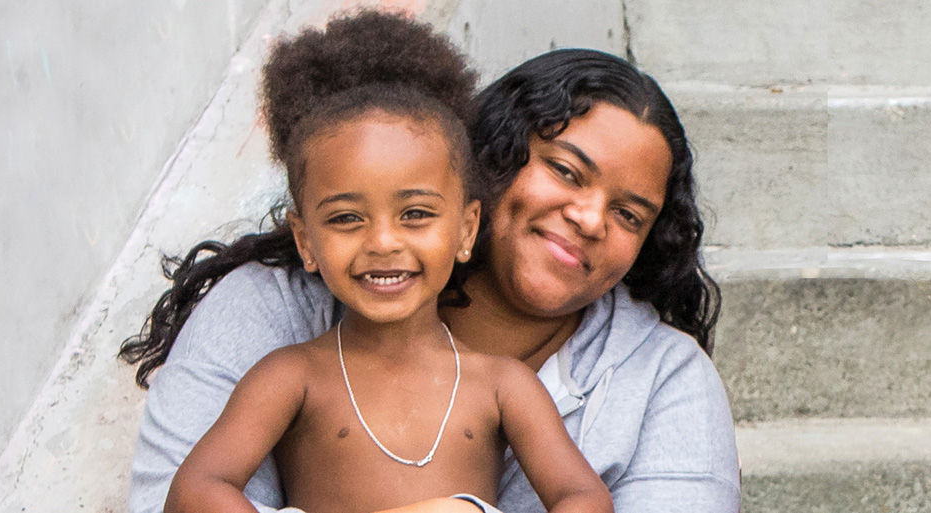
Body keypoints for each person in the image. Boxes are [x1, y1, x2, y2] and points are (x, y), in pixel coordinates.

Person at [121, 9, 740, 513]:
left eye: (629, 215)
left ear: (462, 223)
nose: (589, 218)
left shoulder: (654, 380)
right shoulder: (280, 341)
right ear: (491, 160)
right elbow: (184, 495)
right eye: (564, 170)